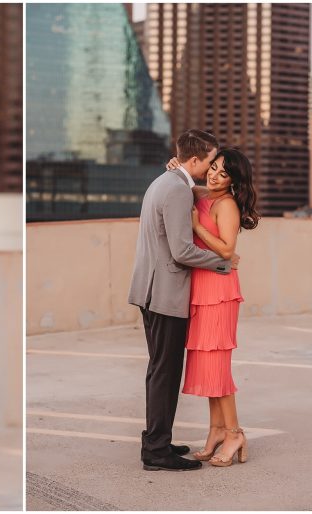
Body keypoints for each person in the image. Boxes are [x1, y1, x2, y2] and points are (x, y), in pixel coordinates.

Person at [127, 129, 238, 472]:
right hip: (165, 293)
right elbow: (182, 251)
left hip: (150, 289)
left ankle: (157, 440)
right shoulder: (176, 189)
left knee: (159, 370)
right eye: (208, 162)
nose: (209, 169)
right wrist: (222, 263)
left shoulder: (167, 181)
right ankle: (157, 452)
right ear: (195, 159)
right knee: (165, 373)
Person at [165, 147, 260, 467]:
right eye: (214, 167)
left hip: (219, 291)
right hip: (202, 289)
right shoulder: (205, 194)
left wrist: (196, 227)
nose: (215, 174)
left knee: (217, 367)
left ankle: (234, 432)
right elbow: (188, 185)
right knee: (207, 365)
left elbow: (226, 249)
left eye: (224, 172)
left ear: (234, 181)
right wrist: (176, 167)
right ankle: (217, 430)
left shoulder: (228, 204)